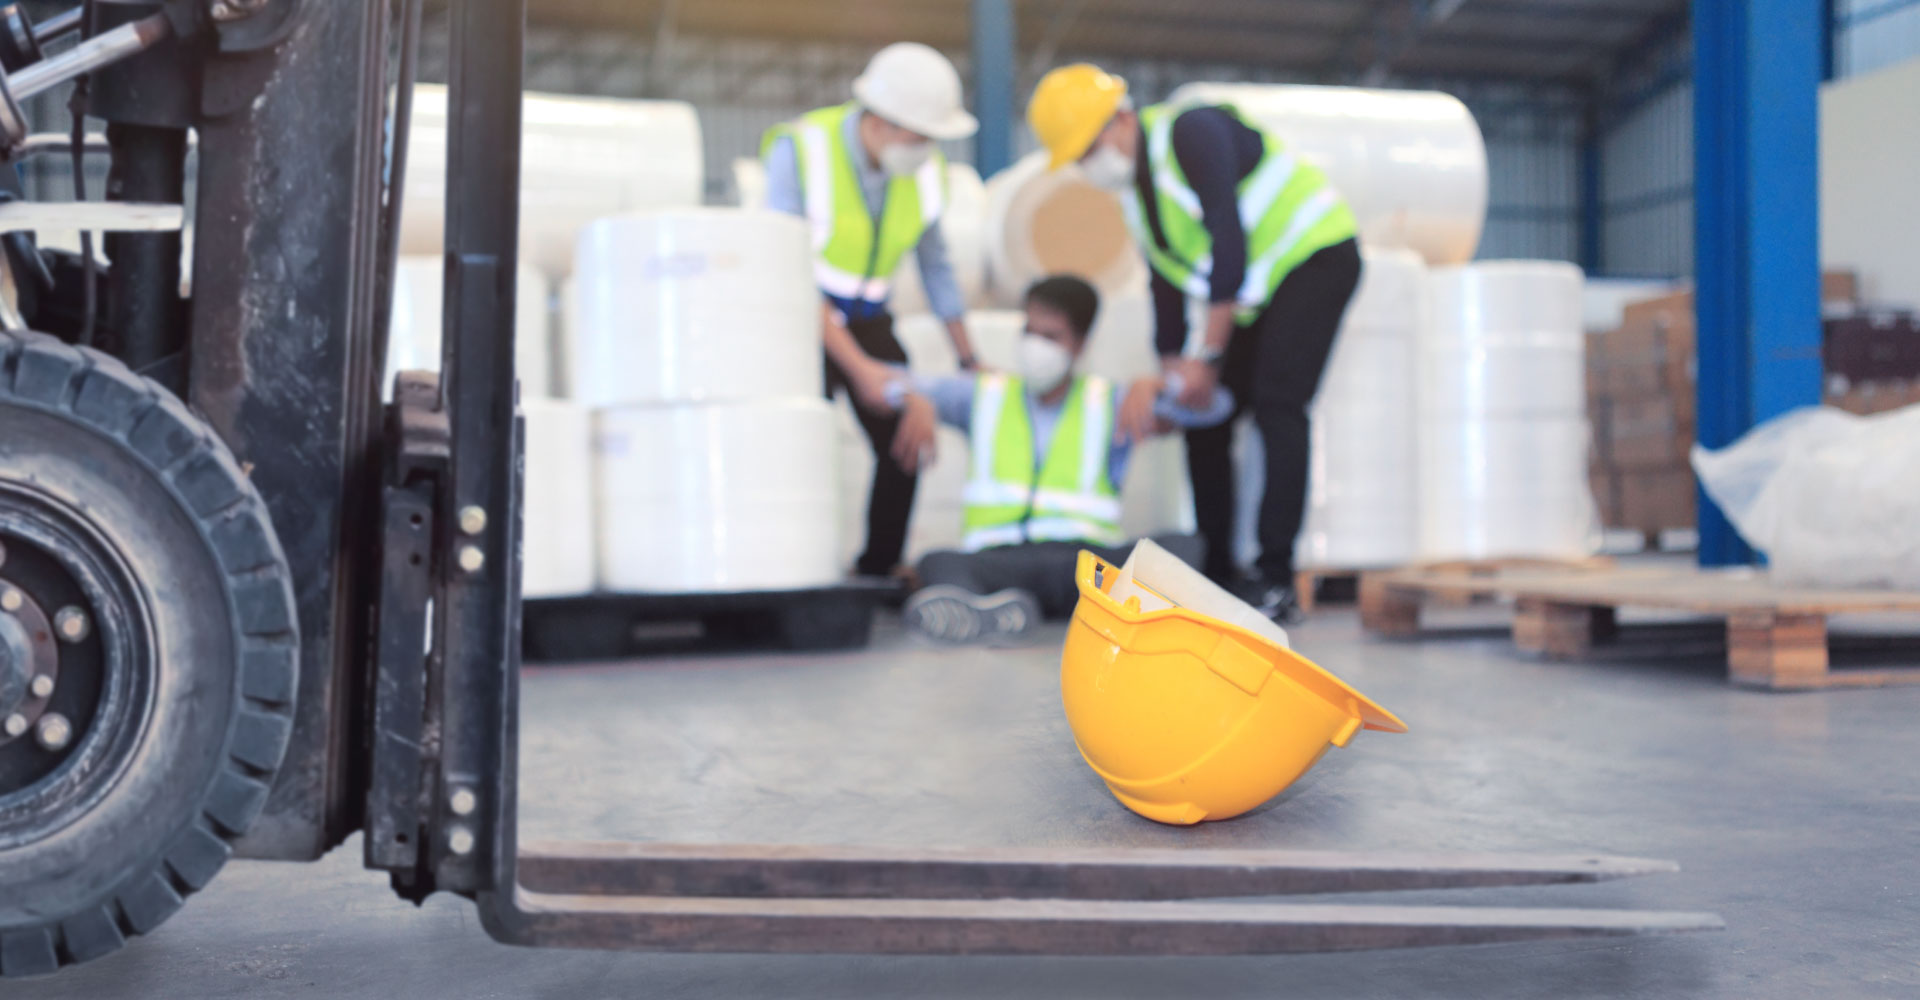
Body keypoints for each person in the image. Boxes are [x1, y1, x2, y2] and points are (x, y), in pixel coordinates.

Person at [1025, 64, 1363, 623]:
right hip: (1259, 289)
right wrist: (1175, 374)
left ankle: (1276, 577)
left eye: (1091, 148)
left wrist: (1206, 357)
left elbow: (1227, 246)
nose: (1090, 165)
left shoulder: (1193, 131)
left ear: (1123, 118)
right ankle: (1221, 571)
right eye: (1078, 158)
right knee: (1204, 414)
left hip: (1316, 256)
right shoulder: (1134, 198)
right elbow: (1165, 283)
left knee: (1279, 402)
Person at [881, 275, 1229, 645]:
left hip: (1082, 566)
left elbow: (1215, 407)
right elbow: (887, 382)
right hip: (1000, 561)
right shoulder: (984, 393)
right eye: (1029, 332)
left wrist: (1160, 384)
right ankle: (992, 613)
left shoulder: (1110, 401)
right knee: (937, 561)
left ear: (1080, 344)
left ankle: (1003, 610)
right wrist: (909, 397)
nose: (1035, 347)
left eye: (1050, 337)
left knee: (1183, 546)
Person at [762, 42, 981, 579]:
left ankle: (878, 569)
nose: (926, 148)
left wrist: (969, 359)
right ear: (881, 121)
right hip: (800, 317)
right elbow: (785, 269)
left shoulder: (924, 175)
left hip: (870, 315)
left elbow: (937, 269)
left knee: (906, 431)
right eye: (919, 134)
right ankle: (795, 569)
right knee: (800, 444)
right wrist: (859, 370)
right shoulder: (802, 151)